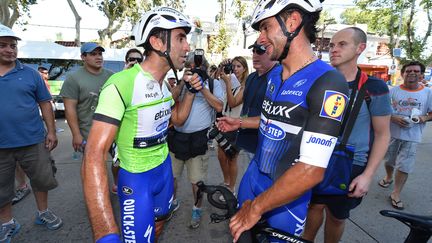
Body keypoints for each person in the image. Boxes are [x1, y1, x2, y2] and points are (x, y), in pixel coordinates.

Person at [217, 1, 349, 241]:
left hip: (288, 198)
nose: (261, 39)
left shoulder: (329, 82)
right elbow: (277, 120)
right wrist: (241, 123)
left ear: (292, 22)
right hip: (253, 177)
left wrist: (256, 207)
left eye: (266, 28)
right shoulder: (275, 73)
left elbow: (311, 169)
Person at [81, 7, 201, 243]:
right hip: (137, 180)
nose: (187, 47)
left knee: (157, 228)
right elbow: (93, 155)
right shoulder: (122, 83)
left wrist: (191, 93)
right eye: (180, 38)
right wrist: (104, 231)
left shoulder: (163, 85)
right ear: (157, 42)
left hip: (164, 171)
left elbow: (175, 120)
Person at [303, 27, 392, 243]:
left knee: (336, 216)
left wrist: (367, 175)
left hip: (351, 165)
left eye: (342, 44)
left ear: (360, 48)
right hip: (317, 158)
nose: (333, 49)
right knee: (314, 207)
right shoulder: (320, 81)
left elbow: (382, 135)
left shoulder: (374, 87)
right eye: (332, 45)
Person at [0, 24, 62, 243]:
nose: (10, 50)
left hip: (33, 140)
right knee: (1, 187)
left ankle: (42, 213)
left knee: (41, 179)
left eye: (13, 45)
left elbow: (45, 103)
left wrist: (52, 132)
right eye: (3, 45)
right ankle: (7, 223)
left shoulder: (30, 74)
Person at [169, 51, 224, 229]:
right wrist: (182, 83)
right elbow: (170, 99)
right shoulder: (182, 82)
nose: (195, 70)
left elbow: (219, 106)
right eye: (190, 66)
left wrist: (202, 88)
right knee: (171, 177)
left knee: (196, 181)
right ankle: (170, 203)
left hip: (198, 139)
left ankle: (197, 209)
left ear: (205, 68)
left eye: (198, 67)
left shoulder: (213, 84)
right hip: (177, 137)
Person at [378, 61, 432, 210]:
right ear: (403, 74)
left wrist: (423, 118)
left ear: (421, 75)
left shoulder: (428, 93)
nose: (412, 73)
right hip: (391, 134)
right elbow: (381, 110)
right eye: (408, 71)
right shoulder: (393, 91)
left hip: (412, 136)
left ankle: (396, 193)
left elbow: (431, 113)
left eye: (416, 71)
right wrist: (394, 118)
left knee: (404, 165)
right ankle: (388, 176)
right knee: (389, 161)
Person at [60, 42, 114, 157]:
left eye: (100, 54)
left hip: (112, 130)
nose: (98, 57)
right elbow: (70, 110)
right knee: (93, 168)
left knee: (119, 165)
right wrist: (76, 134)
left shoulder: (112, 76)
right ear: (83, 57)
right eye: (93, 54)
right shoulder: (73, 79)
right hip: (89, 133)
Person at [235, 42, 278, 158]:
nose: (255, 55)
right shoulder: (251, 77)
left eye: (259, 51)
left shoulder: (279, 77)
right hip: (246, 140)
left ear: (272, 52)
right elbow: (239, 104)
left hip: (266, 146)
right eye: (253, 51)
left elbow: (274, 118)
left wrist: (238, 123)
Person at [217, 56, 249, 195]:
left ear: (245, 69)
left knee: (231, 158)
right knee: (220, 156)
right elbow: (218, 77)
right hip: (224, 121)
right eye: (233, 66)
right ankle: (226, 182)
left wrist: (228, 83)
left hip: (236, 126)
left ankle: (232, 188)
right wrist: (221, 67)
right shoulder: (231, 81)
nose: (235, 69)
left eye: (238, 67)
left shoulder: (245, 86)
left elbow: (233, 103)